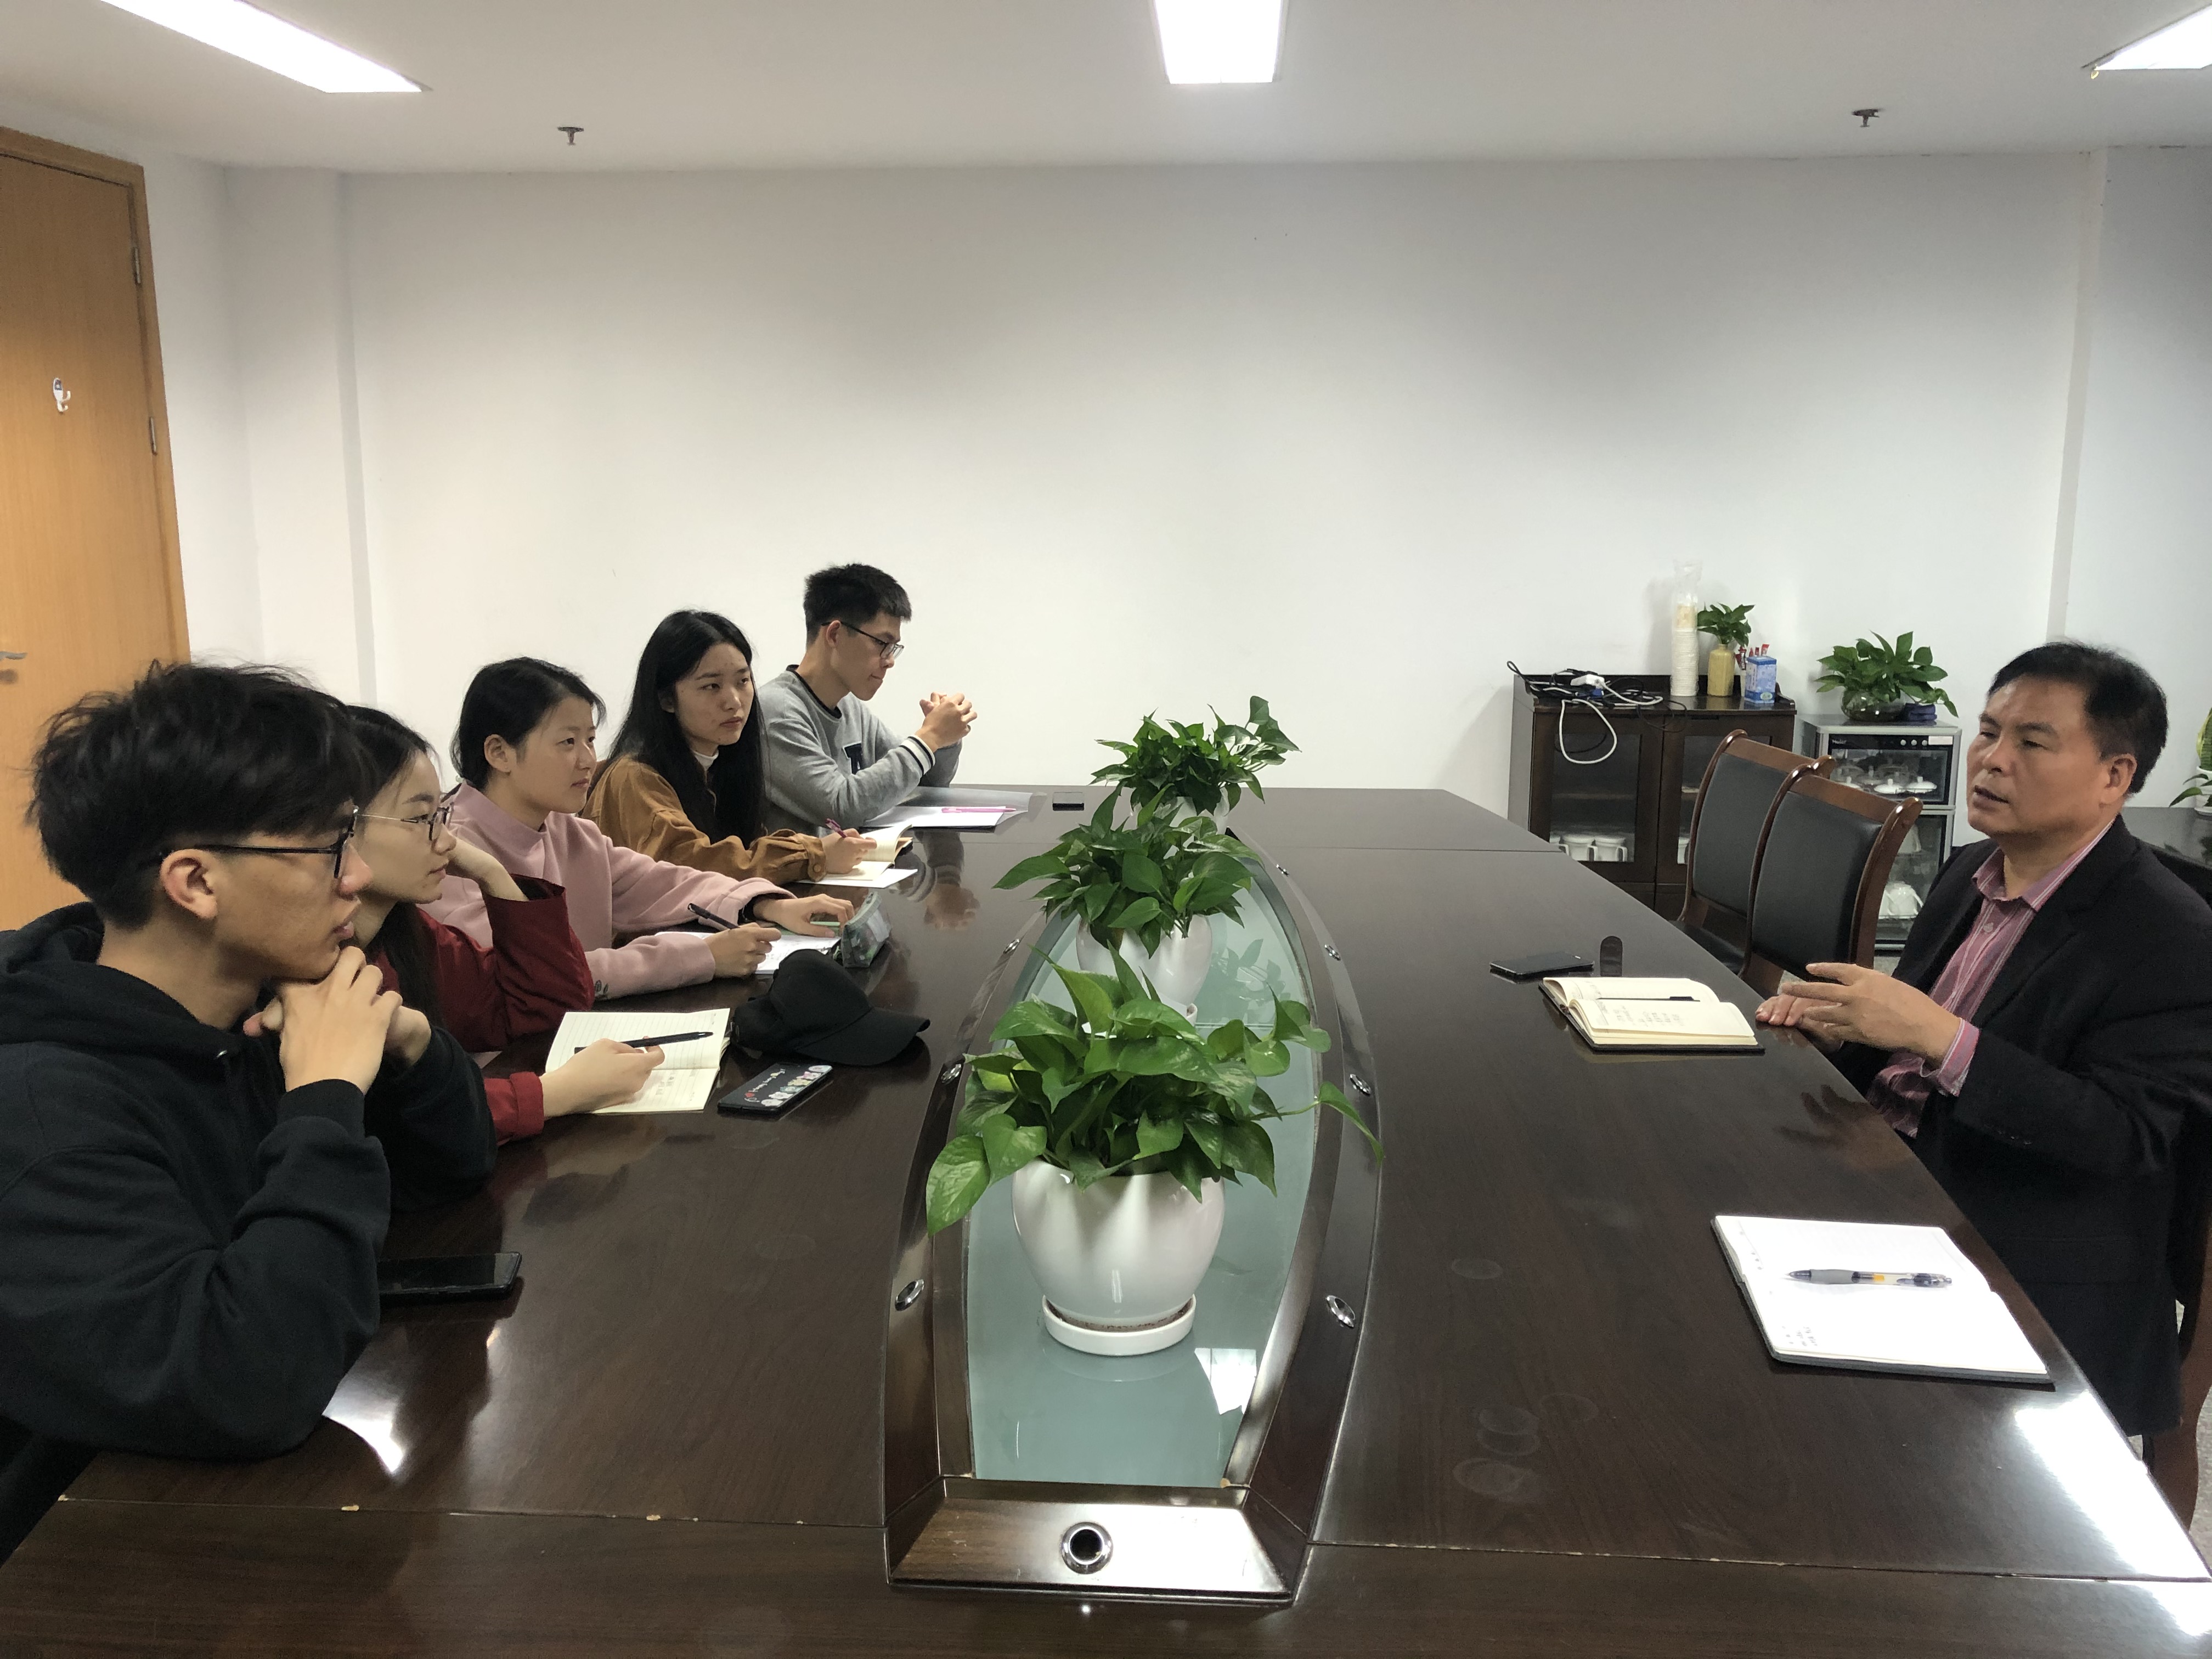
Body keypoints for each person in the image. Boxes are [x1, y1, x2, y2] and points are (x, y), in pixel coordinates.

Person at [0, 663, 495, 1561]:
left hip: (232, 1510)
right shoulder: (42, 1107)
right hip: (87, 1561)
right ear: (195, 881)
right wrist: (324, 1099)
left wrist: (411, 1046)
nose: (357, 876)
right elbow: (241, 1383)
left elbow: (447, 1177)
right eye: (328, 847)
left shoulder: (256, 1013)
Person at [1757, 642, 2212, 1437]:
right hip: (1887, 1169)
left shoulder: (2171, 935)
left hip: (2018, 1243)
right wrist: (1837, 1027)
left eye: (2032, 742)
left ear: (2115, 776)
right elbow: (1896, 1047)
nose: (1993, 760)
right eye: (1990, 731)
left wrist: (1941, 1037)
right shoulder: (1970, 869)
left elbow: (2124, 1136)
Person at [429, 658, 850, 998]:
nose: (588, 760)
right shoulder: (449, 852)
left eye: (590, 740)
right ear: (499, 752)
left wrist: (764, 903)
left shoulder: (566, 830)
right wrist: (699, 957)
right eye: (568, 742)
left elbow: (659, 882)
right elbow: (533, 975)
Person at [348, 707, 664, 1142]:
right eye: (421, 820)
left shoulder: (407, 933)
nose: (446, 840)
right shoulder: (308, 964)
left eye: (439, 815)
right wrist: (554, 1094)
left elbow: (547, 1008)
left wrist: (493, 875)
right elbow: (395, 1125)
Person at [586, 610, 876, 884]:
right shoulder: (635, 776)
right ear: (666, 699)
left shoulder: (720, 761)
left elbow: (747, 848)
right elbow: (689, 867)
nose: (734, 701)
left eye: (743, 681)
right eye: (712, 686)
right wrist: (812, 855)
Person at [757, 563, 975, 833]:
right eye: (882, 643)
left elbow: (925, 782)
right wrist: (929, 737)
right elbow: (840, 809)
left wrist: (944, 741)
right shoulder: (776, 712)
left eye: (894, 647)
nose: (890, 661)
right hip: (803, 863)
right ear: (835, 635)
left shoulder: (849, 706)